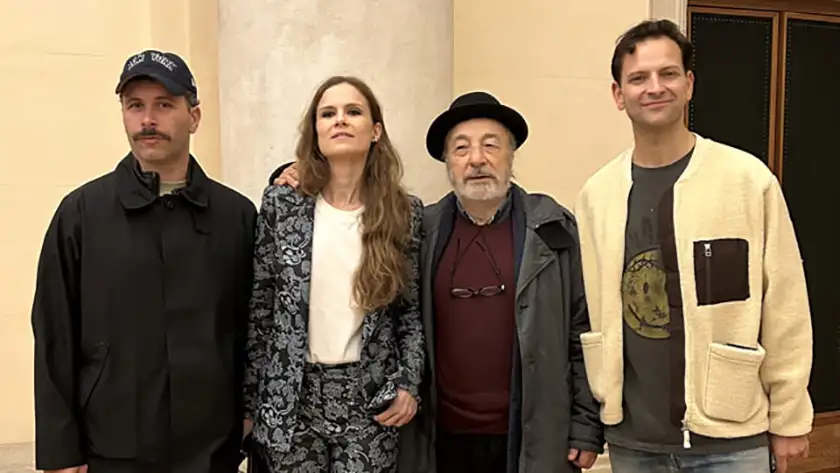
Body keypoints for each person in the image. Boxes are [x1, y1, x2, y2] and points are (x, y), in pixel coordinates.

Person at [273, 91, 605, 472]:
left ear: (511, 156)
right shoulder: (420, 228)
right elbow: (398, 317)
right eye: (461, 149)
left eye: (491, 146)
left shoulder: (551, 231)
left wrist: (585, 427)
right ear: (447, 162)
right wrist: (294, 173)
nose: (477, 159)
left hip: (531, 435)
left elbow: (581, 331)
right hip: (440, 437)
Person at [574, 19, 813, 473]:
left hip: (730, 438)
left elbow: (784, 304)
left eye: (667, 74)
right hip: (632, 439)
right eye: (638, 78)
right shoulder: (597, 194)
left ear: (689, 85)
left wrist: (790, 415)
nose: (654, 88)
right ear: (618, 95)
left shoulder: (746, 181)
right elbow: (590, 310)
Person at [31, 50, 257, 473]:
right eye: (135, 105)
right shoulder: (81, 214)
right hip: (112, 447)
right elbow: (54, 334)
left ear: (194, 117)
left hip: (210, 451)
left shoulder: (236, 217)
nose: (147, 119)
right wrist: (61, 451)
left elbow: (256, 329)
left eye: (164, 105)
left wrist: (248, 417)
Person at [242, 76, 425, 473]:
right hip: (292, 399)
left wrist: (409, 383)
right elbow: (261, 309)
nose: (340, 120)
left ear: (375, 131)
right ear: (316, 132)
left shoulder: (403, 213)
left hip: (369, 397)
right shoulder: (281, 205)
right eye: (328, 114)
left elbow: (409, 314)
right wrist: (251, 403)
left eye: (353, 111)